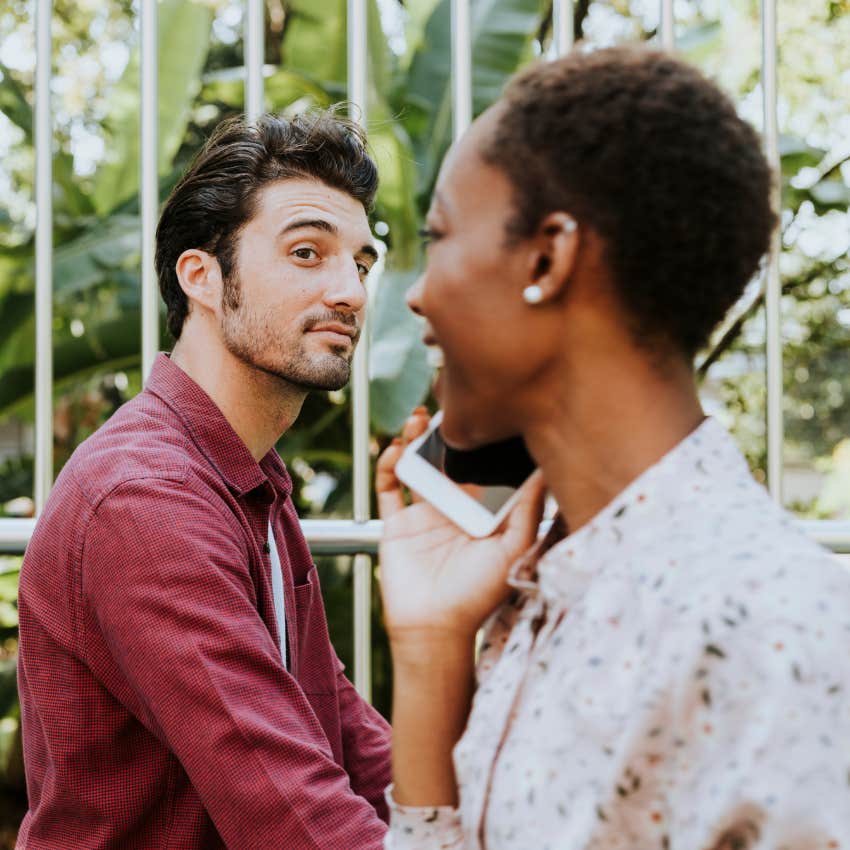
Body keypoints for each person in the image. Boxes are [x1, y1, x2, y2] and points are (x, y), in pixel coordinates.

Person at [376, 46, 850, 849]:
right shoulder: (543, 599)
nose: (416, 293)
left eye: (439, 235)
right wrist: (429, 650)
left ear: (548, 257)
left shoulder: (777, 636)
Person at [17, 110, 391, 849]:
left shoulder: (249, 480)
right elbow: (292, 814)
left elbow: (340, 729)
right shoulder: (145, 498)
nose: (350, 291)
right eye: (308, 252)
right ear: (203, 278)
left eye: (362, 263)